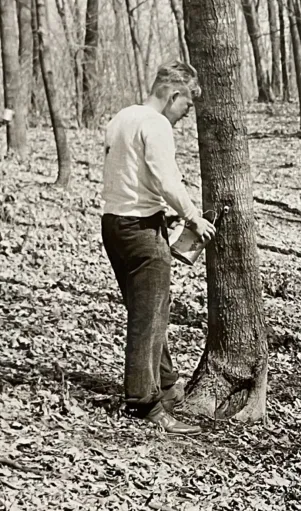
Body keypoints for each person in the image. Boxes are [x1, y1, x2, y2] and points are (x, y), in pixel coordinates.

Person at [101, 61, 216, 435]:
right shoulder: (156, 124)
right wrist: (192, 216)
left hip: (114, 223)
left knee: (150, 308)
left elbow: (129, 173)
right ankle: (144, 402)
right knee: (148, 318)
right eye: (186, 106)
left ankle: (166, 384)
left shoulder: (121, 117)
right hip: (140, 226)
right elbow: (166, 179)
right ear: (173, 95)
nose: (185, 115)